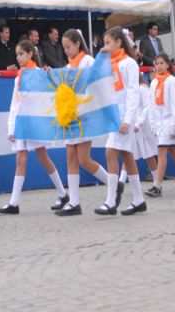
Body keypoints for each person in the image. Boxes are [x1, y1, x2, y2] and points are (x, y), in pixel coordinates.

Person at [0, 40, 69, 215]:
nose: (18, 58)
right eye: (17, 55)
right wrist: (11, 126)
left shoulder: (41, 74)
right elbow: (15, 103)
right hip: (22, 122)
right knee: (21, 158)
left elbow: (53, 94)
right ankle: (14, 202)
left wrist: (51, 75)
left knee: (43, 157)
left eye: (21, 54)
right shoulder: (18, 78)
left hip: (35, 122)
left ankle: (63, 193)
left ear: (30, 53)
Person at [55, 29, 109, 216]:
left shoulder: (88, 61)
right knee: (71, 156)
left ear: (78, 44)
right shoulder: (69, 67)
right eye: (64, 48)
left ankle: (112, 184)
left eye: (68, 47)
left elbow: (96, 85)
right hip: (71, 116)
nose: (66, 51)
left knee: (84, 159)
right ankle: (74, 202)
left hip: (84, 115)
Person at [95, 27, 146, 216]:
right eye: (104, 43)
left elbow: (133, 93)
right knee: (126, 156)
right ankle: (139, 199)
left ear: (118, 42)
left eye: (109, 43)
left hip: (125, 117)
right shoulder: (110, 63)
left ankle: (110, 201)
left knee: (110, 152)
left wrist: (128, 120)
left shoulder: (129, 64)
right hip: (114, 117)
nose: (106, 46)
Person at [146, 53, 175, 197]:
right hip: (160, 123)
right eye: (156, 63)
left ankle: (157, 185)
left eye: (162, 63)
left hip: (170, 121)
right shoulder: (154, 82)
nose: (159, 66)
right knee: (173, 150)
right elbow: (152, 105)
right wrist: (153, 124)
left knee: (162, 151)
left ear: (168, 65)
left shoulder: (172, 81)